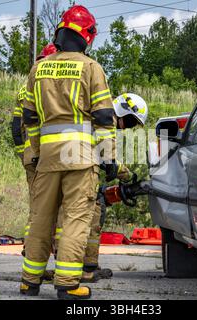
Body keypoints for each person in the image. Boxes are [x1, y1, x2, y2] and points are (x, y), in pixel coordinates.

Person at [20, 5, 121, 300]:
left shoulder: (38, 69)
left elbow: (30, 119)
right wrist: (109, 157)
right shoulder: (91, 68)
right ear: (87, 36)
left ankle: (29, 281)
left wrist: (37, 153)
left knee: (41, 217)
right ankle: (66, 284)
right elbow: (103, 118)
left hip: (48, 158)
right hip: (79, 157)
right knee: (76, 218)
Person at [55, 93, 148, 283]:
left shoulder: (101, 117)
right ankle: (78, 268)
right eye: (130, 123)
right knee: (87, 215)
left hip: (77, 169)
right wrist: (127, 174)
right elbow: (106, 157)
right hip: (79, 172)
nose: (127, 128)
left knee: (93, 212)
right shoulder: (105, 121)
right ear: (124, 112)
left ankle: (88, 265)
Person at [11, 43, 58, 247]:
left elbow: (16, 127)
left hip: (31, 155)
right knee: (58, 207)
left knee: (36, 205)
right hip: (51, 153)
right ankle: (55, 251)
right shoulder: (53, 85)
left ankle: (30, 250)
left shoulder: (25, 87)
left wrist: (25, 153)